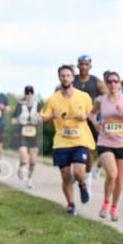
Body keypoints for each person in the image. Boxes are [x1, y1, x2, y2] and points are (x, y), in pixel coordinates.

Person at [41, 65, 96, 215]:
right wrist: (53, 116)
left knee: (78, 171)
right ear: (59, 78)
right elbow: (42, 118)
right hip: (61, 142)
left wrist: (86, 116)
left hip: (80, 140)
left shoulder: (83, 96)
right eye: (62, 76)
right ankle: (71, 204)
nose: (65, 78)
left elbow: (93, 113)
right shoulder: (53, 99)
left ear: (73, 78)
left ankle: (83, 185)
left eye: (68, 75)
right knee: (65, 176)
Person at [91, 71, 123, 221]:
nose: (113, 84)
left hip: (122, 142)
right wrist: (96, 124)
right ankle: (106, 203)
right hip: (105, 142)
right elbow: (91, 114)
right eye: (110, 81)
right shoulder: (100, 100)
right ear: (106, 83)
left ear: (119, 83)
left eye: (116, 81)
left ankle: (114, 207)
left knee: (119, 179)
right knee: (112, 173)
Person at [71, 55, 106, 195]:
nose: (84, 67)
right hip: (73, 121)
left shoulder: (96, 82)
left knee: (89, 149)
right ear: (78, 65)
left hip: (90, 120)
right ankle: (77, 171)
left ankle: (88, 175)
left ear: (90, 66)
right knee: (73, 148)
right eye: (81, 64)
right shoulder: (72, 80)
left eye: (86, 64)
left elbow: (106, 97)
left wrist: (98, 115)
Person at [12, 86, 41, 189]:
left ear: (33, 94)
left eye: (31, 93)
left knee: (33, 162)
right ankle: (21, 166)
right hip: (22, 135)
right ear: (25, 94)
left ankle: (29, 179)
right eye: (27, 93)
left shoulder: (38, 105)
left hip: (34, 136)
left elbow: (43, 118)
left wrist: (40, 118)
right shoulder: (20, 106)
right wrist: (19, 121)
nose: (29, 95)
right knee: (24, 158)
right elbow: (13, 120)